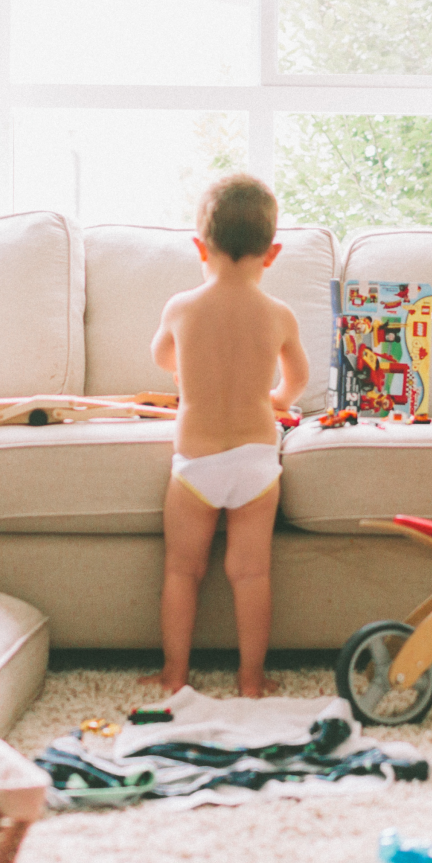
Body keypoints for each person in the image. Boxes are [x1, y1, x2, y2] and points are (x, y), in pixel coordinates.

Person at [146, 174, 310, 697]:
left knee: (182, 571)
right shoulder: (278, 314)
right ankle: (251, 679)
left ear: (200, 246)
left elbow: (162, 357)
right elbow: (299, 379)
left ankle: (175, 677)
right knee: (251, 574)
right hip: (258, 461)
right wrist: (278, 401)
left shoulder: (182, 307)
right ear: (273, 253)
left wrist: (185, 372)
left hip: (195, 463)